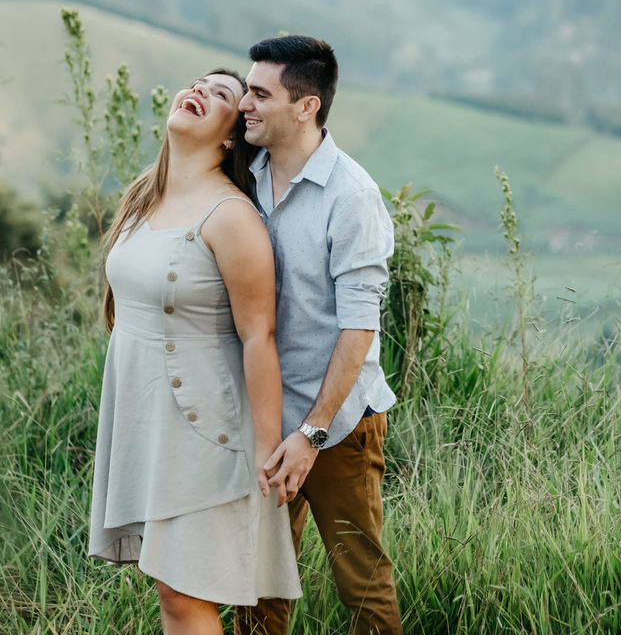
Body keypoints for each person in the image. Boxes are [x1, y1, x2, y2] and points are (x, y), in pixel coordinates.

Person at [88, 68, 301, 634]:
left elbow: (259, 336)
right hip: (148, 421)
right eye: (198, 84)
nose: (201, 91)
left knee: (184, 594)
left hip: (206, 426)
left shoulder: (231, 216)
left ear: (232, 135)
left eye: (222, 93)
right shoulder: (144, 196)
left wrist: (266, 447)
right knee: (170, 590)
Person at [233, 36, 401, 635]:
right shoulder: (244, 176)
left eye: (260, 94)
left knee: (362, 584)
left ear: (306, 107)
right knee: (258, 586)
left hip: (338, 425)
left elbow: (359, 328)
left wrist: (312, 433)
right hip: (263, 418)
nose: (244, 104)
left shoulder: (352, 197)